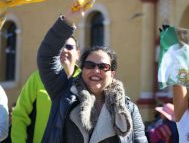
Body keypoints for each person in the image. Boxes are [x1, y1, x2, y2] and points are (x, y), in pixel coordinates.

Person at [37, 8, 148, 142]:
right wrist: (67, 21)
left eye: (103, 67)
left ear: (112, 73)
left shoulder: (128, 109)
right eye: (90, 65)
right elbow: (46, 56)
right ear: (82, 69)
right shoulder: (63, 92)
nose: (96, 70)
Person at [11, 36, 81, 143]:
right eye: (60, 46)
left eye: (69, 47)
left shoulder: (85, 81)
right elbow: (20, 115)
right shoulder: (37, 78)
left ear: (78, 54)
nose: (64, 50)